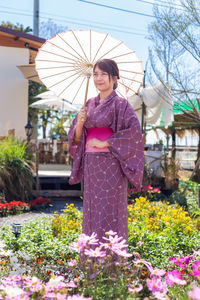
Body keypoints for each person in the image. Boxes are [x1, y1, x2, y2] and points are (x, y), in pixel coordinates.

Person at [68, 59, 144, 244]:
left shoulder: (122, 105)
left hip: (111, 165)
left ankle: (112, 260)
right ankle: (91, 262)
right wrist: (79, 123)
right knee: (92, 210)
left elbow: (134, 134)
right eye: (95, 74)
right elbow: (76, 139)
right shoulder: (88, 104)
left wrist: (105, 143)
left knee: (110, 210)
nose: (98, 78)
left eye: (103, 74)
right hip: (91, 165)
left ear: (114, 77)